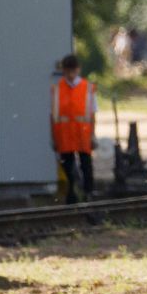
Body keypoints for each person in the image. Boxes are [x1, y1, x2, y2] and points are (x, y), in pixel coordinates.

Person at [51, 54, 97, 203]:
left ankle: (88, 192)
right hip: (63, 135)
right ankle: (71, 194)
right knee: (67, 166)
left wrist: (92, 135)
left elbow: (92, 113)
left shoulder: (87, 88)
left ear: (78, 70)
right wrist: (53, 138)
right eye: (68, 71)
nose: (71, 75)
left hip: (82, 133)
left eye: (73, 71)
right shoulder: (57, 89)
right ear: (63, 71)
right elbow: (52, 115)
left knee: (86, 164)